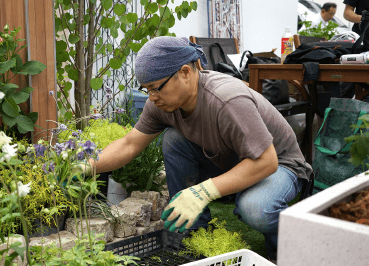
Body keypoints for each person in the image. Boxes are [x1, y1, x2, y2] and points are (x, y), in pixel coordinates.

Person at [86, 37, 312, 261]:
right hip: (232, 161)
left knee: (256, 209)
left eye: (156, 88)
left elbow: (266, 161)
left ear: (185, 72)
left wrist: (202, 192)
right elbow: (129, 144)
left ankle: (287, 248)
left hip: (279, 166)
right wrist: (83, 166)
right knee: (174, 138)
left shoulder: (226, 100)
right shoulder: (161, 104)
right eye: (146, 90)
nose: (152, 98)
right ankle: (196, 234)